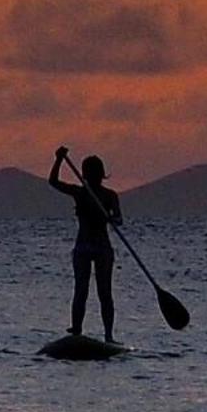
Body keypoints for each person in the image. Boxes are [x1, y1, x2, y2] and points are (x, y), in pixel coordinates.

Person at [48, 146, 122, 341]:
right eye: (89, 173)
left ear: (100, 174)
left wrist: (112, 218)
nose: (92, 176)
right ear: (85, 175)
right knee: (81, 290)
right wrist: (59, 160)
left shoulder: (110, 195)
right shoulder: (80, 193)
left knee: (104, 292)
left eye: (95, 173)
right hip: (83, 247)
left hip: (102, 248)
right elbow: (53, 182)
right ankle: (77, 329)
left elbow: (119, 218)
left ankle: (108, 335)